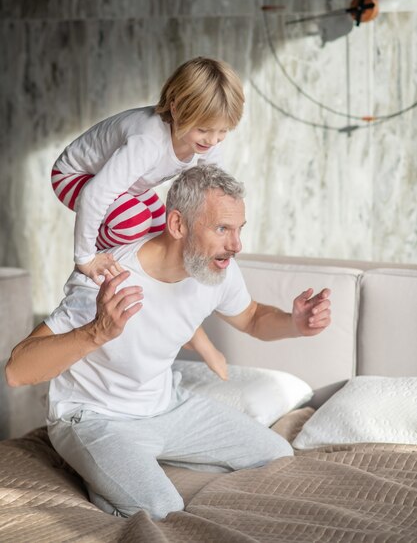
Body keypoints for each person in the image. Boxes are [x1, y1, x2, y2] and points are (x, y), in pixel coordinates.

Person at [6, 164, 332, 521]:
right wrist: (96, 331)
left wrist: (295, 323)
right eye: (222, 228)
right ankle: (111, 478)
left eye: (239, 230)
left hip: (167, 406)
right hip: (95, 417)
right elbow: (17, 371)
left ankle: (132, 470)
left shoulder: (216, 270)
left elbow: (252, 317)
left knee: (277, 455)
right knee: (164, 510)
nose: (236, 245)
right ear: (177, 224)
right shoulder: (107, 278)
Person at [51, 56, 244, 380]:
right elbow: (97, 195)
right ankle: (94, 285)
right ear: (176, 105)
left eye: (222, 132)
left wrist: (217, 231)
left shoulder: (204, 142)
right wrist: (85, 257)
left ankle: (191, 332)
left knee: (173, 237)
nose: (212, 140)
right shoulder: (147, 141)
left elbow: (214, 190)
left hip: (130, 188)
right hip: (78, 176)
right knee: (132, 224)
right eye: (204, 130)